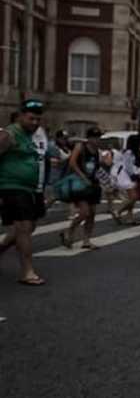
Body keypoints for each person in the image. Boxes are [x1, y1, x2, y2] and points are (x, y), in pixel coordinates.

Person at [0, 100, 49, 285]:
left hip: (30, 188)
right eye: (31, 118)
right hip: (12, 187)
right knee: (24, 227)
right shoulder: (9, 135)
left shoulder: (30, 136)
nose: (35, 123)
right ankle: (27, 271)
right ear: (20, 116)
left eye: (38, 119)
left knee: (28, 227)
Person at [60, 127, 106, 250]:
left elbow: (97, 168)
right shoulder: (80, 147)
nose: (97, 140)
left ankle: (86, 240)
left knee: (92, 214)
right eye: (95, 137)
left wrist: (105, 181)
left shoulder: (97, 151)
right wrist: (83, 177)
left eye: (98, 137)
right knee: (84, 212)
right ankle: (68, 232)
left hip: (93, 183)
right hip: (80, 183)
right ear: (89, 138)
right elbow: (72, 163)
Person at [111, 134, 140, 224]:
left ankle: (129, 217)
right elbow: (128, 166)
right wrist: (135, 176)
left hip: (131, 176)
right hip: (126, 177)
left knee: (132, 198)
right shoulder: (129, 152)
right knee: (134, 197)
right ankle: (118, 211)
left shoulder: (136, 151)